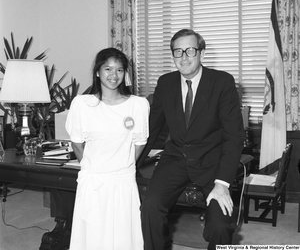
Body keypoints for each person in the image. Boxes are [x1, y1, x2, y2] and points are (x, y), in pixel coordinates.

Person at [138, 29, 244, 250]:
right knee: (150, 207)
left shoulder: (222, 82)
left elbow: (234, 135)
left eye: (190, 50)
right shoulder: (165, 83)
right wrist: (132, 163)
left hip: (212, 162)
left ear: (201, 54)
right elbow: (151, 129)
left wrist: (223, 183)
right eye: (178, 51)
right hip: (175, 159)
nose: (184, 57)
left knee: (220, 225)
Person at [65, 47, 149, 250]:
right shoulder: (83, 104)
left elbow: (139, 144)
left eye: (119, 70)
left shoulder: (138, 105)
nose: (114, 75)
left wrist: (120, 166)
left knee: (123, 236)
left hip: (123, 181)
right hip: (93, 180)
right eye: (108, 69)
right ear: (97, 72)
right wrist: (94, 167)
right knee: (93, 236)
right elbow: (77, 143)